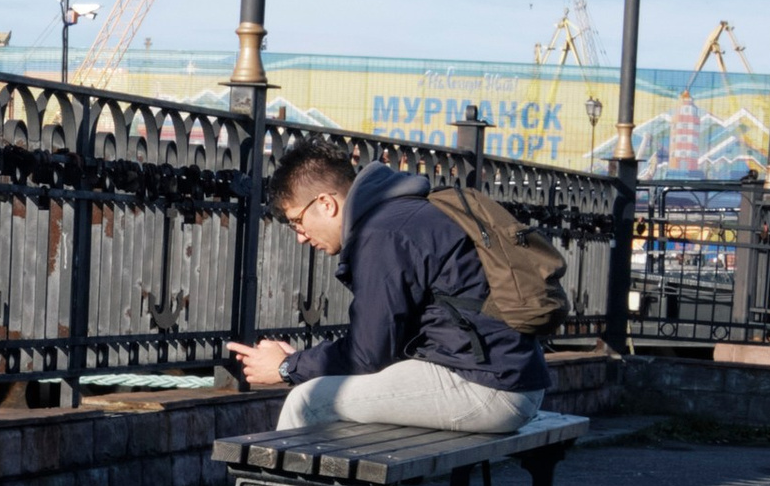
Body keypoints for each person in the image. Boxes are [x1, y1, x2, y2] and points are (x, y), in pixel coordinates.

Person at [229, 144, 547, 437]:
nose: (300, 236)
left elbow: (366, 355)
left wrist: (287, 367)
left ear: (325, 203)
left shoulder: (383, 234)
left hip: (489, 389)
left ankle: (275, 485)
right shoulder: (403, 213)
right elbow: (384, 346)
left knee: (307, 401)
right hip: (507, 377)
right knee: (342, 395)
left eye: (296, 222)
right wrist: (302, 361)